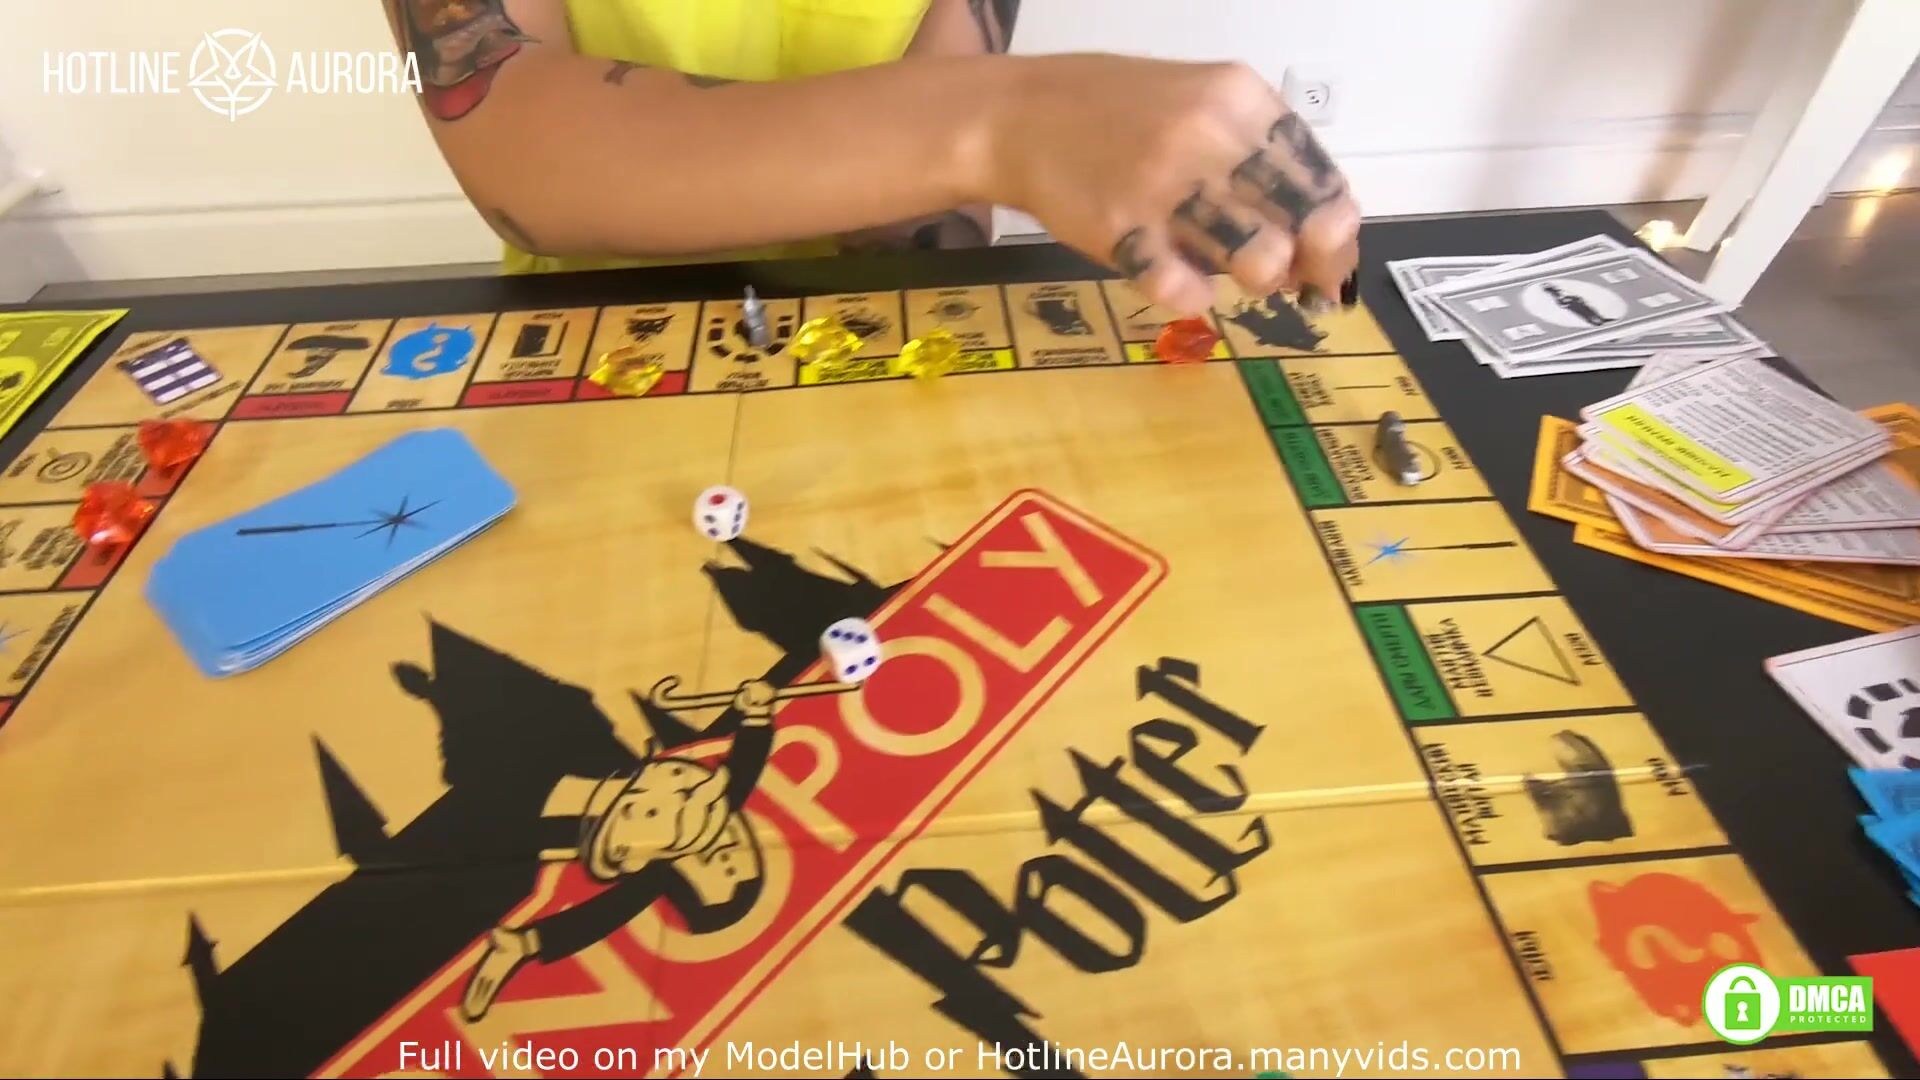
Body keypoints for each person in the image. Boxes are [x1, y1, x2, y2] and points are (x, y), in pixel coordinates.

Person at [383, 0, 1361, 317]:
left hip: (884, 329)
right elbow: (508, 140)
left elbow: (951, 97)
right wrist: (1011, 123)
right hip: (596, 343)